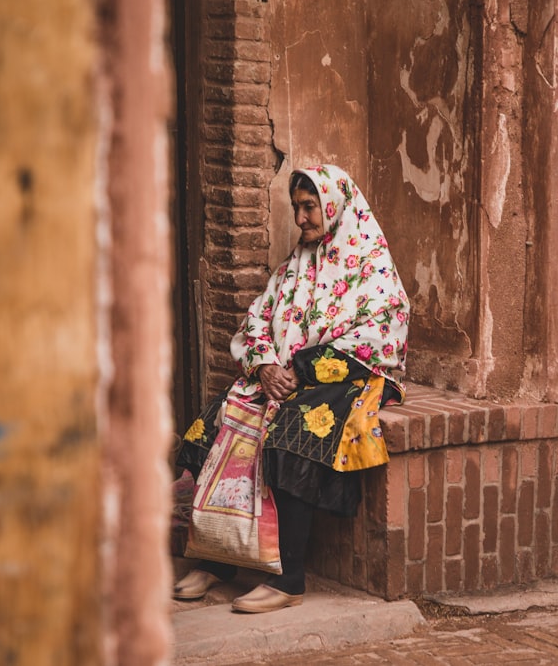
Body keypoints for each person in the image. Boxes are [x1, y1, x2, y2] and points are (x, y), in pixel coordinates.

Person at [175, 164, 410, 613]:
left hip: (347, 374)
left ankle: (288, 578)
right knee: (213, 423)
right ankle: (217, 558)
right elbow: (258, 317)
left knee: (292, 434)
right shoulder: (294, 266)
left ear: (334, 207)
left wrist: (303, 369)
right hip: (280, 375)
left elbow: (384, 330)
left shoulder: (370, 264)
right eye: (296, 208)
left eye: (309, 208)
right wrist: (263, 364)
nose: (301, 218)